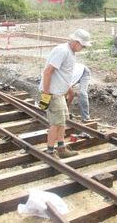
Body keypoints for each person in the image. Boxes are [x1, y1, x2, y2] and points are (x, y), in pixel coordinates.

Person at [38, 29, 92, 158]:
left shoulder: (70, 52)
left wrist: (68, 89)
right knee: (55, 123)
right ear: (76, 42)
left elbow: (62, 74)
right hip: (53, 93)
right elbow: (47, 72)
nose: (83, 48)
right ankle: (50, 152)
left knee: (62, 121)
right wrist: (46, 94)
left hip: (59, 93)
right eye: (82, 45)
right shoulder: (62, 51)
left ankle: (61, 148)